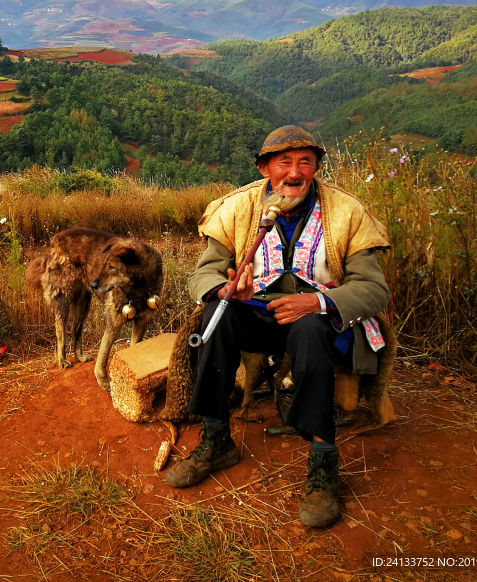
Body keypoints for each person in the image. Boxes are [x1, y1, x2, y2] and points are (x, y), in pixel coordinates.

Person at [164, 125, 391, 528]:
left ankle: (323, 462)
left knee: (308, 329)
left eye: (305, 161)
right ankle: (216, 439)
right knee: (216, 319)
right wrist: (225, 288)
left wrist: (318, 301)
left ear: (316, 167)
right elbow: (204, 274)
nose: (294, 171)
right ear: (265, 167)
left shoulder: (346, 211)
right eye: (284, 162)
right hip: (258, 317)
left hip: (323, 322)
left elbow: (374, 289)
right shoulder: (238, 208)